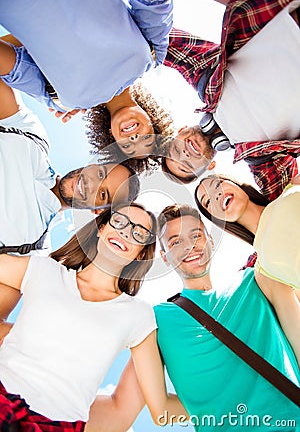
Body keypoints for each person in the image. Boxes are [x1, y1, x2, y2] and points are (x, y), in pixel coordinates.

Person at [0, 0, 240, 172]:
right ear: (152, 120)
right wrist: (242, 1)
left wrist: (36, 44)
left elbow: (6, 60)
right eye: (145, 138)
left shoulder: (61, 100)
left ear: (110, 135)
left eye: (127, 145)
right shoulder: (153, 54)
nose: (133, 137)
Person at [0, 203, 188, 430]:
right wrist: (12, 331)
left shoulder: (138, 315)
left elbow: (161, 410)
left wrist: (235, 404)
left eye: (139, 233)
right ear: (101, 227)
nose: (126, 232)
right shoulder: (44, 270)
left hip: (55, 424)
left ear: (141, 252)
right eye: (119, 221)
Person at [154, 204, 300, 431]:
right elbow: (158, 409)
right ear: (164, 257)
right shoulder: (157, 319)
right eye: (175, 242)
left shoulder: (255, 280)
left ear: (211, 240)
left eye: (196, 235)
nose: (189, 246)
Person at [162, 0, 300, 200]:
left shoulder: (205, 78)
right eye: (187, 165)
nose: (185, 154)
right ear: (210, 166)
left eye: (175, 152)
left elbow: (160, 41)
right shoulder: (261, 161)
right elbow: (284, 201)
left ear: (180, 131)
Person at [0, 81, 140, 257]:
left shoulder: (33, 251)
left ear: (98, 211)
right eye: (100, 174)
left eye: (103, 194)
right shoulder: (32, 136)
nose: (91, 184)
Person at [195, 173, 300, 360]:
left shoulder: (292, 187)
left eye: (217, 185)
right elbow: (295, 330)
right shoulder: (263, 271)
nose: (216, 196)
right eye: (207, 202)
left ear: (235, 183)